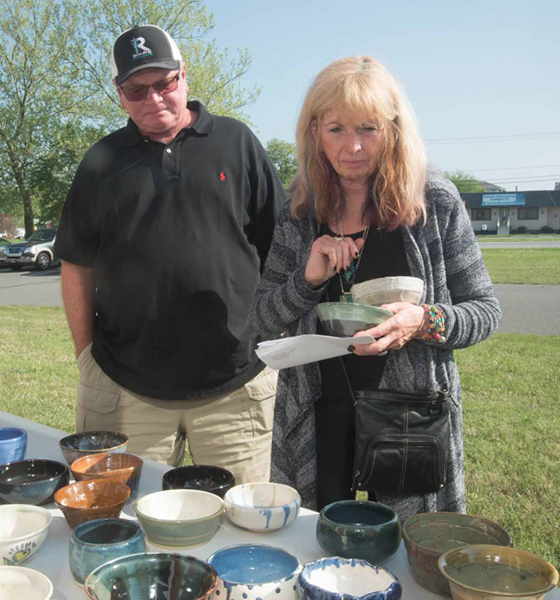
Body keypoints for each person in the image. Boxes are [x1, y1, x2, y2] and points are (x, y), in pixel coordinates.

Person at [252, 56, 500, 519]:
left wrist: (424, 319)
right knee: (319, 547)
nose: (354, 147)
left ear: (393, 129)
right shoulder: (299, 213)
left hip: (411, 420)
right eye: (336, 130)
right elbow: (262, 319)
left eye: (368, 128)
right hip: (316, 417)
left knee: (410, 556)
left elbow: (485, 310)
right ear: (313, 133)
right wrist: (307, 281)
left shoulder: (434, 203)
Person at [54, 25, 285, 484]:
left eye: (165, 83)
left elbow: (278, 249)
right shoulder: (101, 162)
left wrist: (273, 335)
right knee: (123, 518)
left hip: (236, 388)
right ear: (118, 94)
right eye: (136, 90)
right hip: (128, 390)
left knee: (241, 526)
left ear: (184, 76)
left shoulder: (237, 144)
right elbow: (76, 265)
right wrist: (86, 358)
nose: (154, 99)